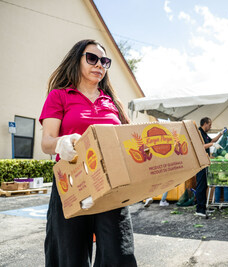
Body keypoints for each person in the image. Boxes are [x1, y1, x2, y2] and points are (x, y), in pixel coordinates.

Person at [40, 39, 137, 266]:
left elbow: (128, 141)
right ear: (77, 60)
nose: (99, 65)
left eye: (104, 61)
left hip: (111, 184)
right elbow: (46, 142)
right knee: (68, 255)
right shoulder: (60, 96)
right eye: (92, 58)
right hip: (71, 183)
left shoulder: (113, 102)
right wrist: (60, 143)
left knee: (118, 253)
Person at [195, 117, 225, 217]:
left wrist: (220, 134)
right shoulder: (198, 133)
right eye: (210, 124)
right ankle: (199, 209)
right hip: (200, 163)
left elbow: (211, 140)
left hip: (205, 162)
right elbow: (200, 146)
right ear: (205, 123)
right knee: (201, 186)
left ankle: (203, 207)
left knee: (204, 186)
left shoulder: (204, 134)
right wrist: (212, 144)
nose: (210, 126)